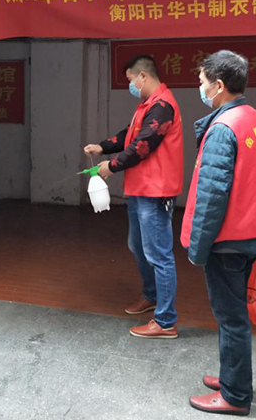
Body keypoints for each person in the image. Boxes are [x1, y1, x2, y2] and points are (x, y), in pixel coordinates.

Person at [179, 50, 256, 417]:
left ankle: (235, 395)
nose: (200, 88)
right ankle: (230, 377)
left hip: (227, 241)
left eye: (203, 82)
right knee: (234, 316)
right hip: (253, 234)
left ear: (219, 86)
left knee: (231, 319)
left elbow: (212, 195)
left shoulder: (224, 129)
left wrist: (198, 247)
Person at [83, 55, 184, 338]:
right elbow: (129, 135)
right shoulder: (148, 106)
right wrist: (103, 147)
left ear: (142, 76)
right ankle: (151, 296)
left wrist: (112, 166)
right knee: (138, 245)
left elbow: (142, 145)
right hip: (141, 188)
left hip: (156, 191)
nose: (130, 85)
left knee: (159, 253)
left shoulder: (162, 106)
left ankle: (165, 321)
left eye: (130, 80)